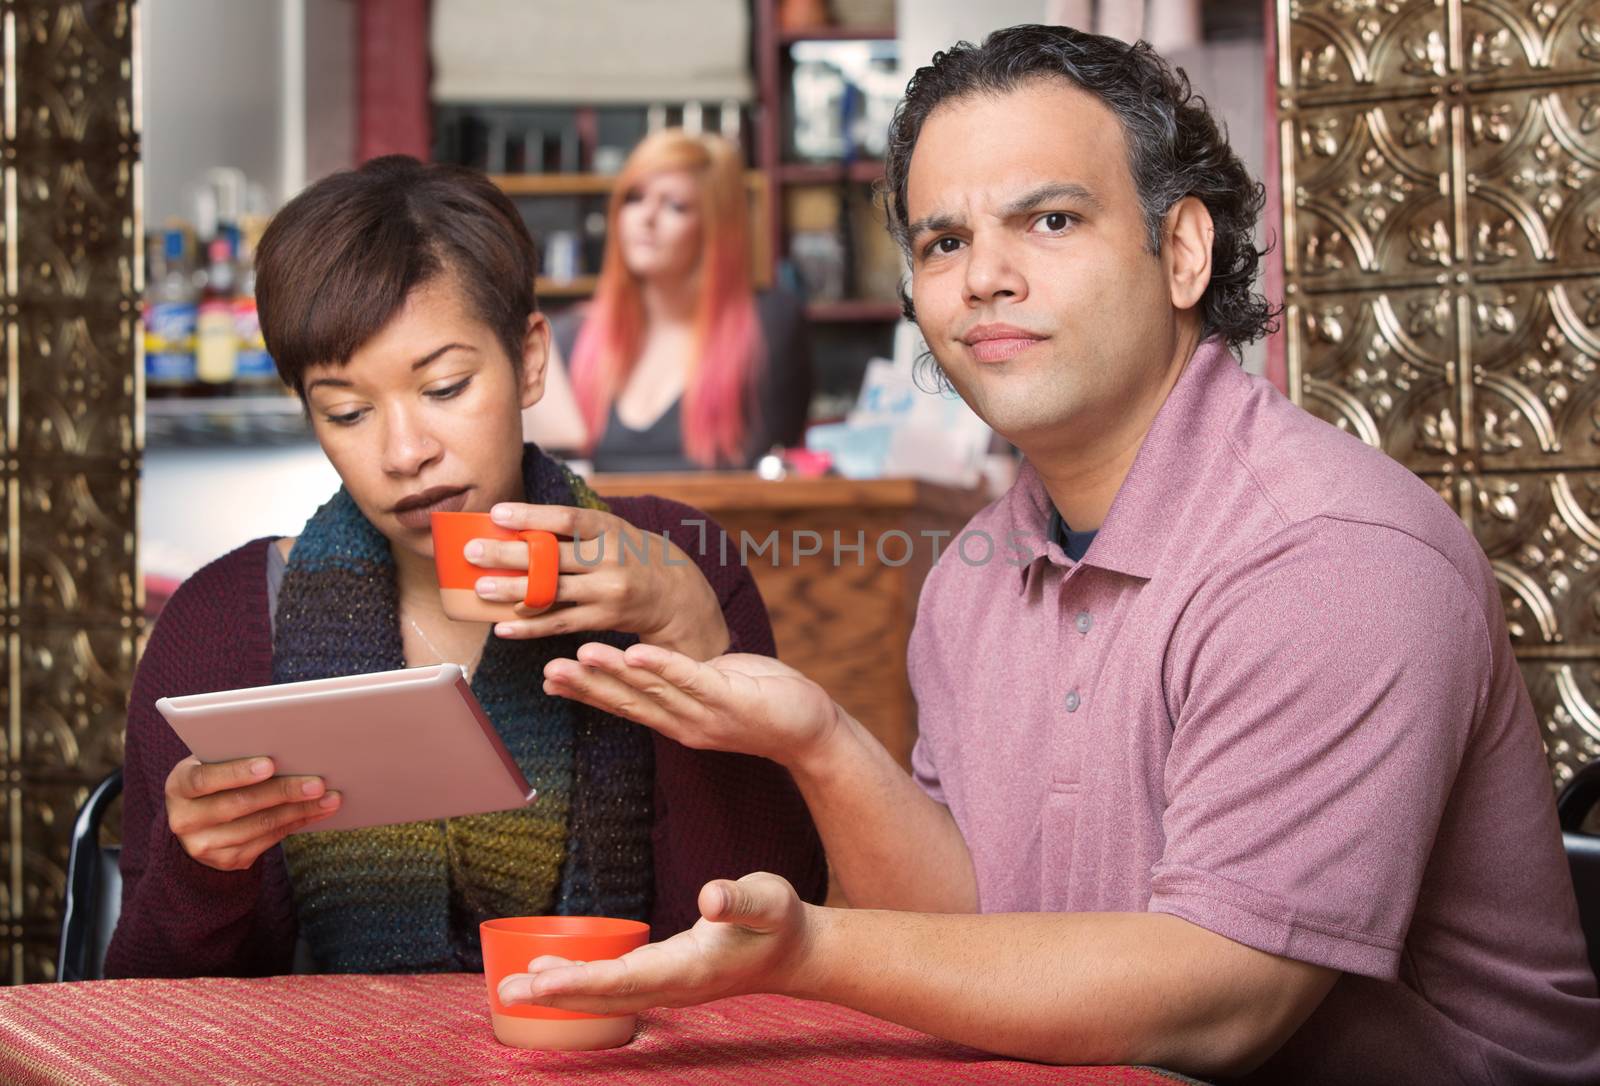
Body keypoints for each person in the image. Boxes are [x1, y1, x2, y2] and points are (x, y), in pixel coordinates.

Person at [496, 25, 1600, 1083]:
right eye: (943, 241)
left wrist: (812, 954)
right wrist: (822, 741)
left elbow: (1221, 1004)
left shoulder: (1329, 557)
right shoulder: (976, 569)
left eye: (1052, 221)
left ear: (1180, 250)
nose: (984, 277)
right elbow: (969, 943)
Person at [104, 156, 826, 978]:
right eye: (347, 411)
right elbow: (134, 1007)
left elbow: (771, 938)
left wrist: (697, 644)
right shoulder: (225, 622)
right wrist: (203, 870)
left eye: (445, 387)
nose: (405, 453)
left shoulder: (677, 564)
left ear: (528, 360)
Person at [523, 130, 812, 472]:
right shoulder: (569, 337)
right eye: (634, 198)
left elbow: (774, 481)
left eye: (675, 205)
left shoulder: (768, 327)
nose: (646, 217)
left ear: (715, 225)